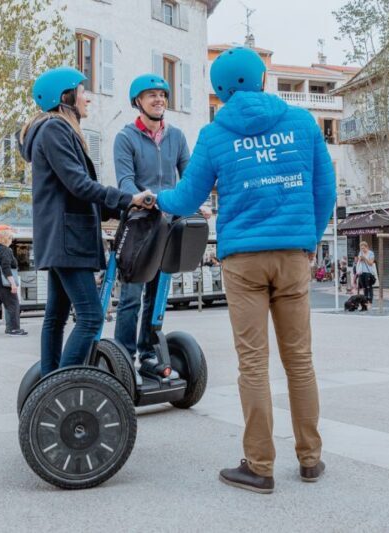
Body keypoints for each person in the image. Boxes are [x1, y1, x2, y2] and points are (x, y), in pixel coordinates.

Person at [156, 47, 336, 493]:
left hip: (243, 262)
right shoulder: (301, 123)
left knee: (253, 365)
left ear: (219, 89)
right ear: (261, 79)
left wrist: (151, 198)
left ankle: (259, 465)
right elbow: (324, 189)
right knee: (300, 362)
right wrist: (308, 239)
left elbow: (183, 199)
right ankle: (310, 459)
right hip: (293, 255)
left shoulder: (215, 135)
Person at [19, 66, 155, 376]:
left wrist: (117, 209)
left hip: (62, 236)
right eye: (82, 92)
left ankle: (50, 382)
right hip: (69, 240)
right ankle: (64, 385)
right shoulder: (55, 130)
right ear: (65, 97)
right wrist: (127, 198)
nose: (88, 99)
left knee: (56, 315)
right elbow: (78, 184)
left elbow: (73, 192)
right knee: (91, 316)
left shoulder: (53, 130)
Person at [112, 73, 211, 377]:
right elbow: (125, 180)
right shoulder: (125, 137)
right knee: (131, 296)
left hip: (168, 224)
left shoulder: (177, 137)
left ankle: (149, 354)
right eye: (151, 95)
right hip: (140, 225)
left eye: (163, 95)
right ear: (138, 102)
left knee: (157, 294)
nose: (159, 100)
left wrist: (198, 203)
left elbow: (190, 176)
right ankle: (124, 356)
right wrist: (142, 197)